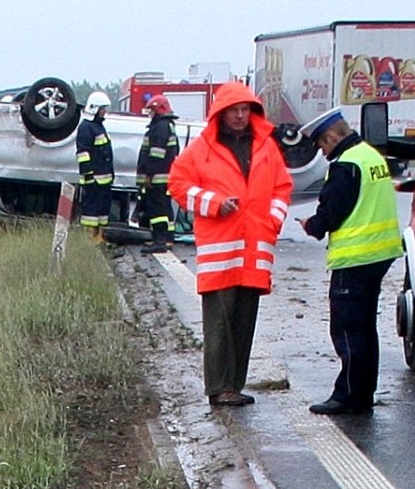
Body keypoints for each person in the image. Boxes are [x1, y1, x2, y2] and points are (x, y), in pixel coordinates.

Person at [167, 81, 293, 406]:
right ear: (221, 114)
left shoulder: (265, 147)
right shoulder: (202, 149)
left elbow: (282, 188)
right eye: (233, 111)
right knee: (219, 324)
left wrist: (273, 222)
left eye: (244, 110)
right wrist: (213, 203)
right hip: (220, 251)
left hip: (254, 251)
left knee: (243, 322)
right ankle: (219, 387)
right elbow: (178, 185)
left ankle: (234, 386)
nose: (239, 116)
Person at [298, 107, 403, 415]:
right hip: (379, 255)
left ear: (332, 137)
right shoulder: (370, 156)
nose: (322, 150)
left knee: (348, 330)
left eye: (321, 144)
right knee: (365, 329)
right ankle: (362, 392)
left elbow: (332, 211)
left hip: (354, 258)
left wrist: (313, 226)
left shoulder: (346, 165)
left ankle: (349, 395)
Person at [136, 94, 179, 254]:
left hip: (157, 178)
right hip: (165, 176)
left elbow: (156, 154)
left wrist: (148, 175)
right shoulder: (167, 125)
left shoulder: (160, 127)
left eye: (151, 110)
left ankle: (159, 241)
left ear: (158, 110)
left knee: (157, 210)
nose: (150, 114)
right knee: (165, 208)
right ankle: (167, 238)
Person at [76, 91, 115, 246]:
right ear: (94, 108)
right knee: (91, 209)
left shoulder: (99, 127)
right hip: (93, 178)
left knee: (103, 208)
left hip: (104, 178)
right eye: (103, 108)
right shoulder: (86, 128)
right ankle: (90, 238)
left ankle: (100, 236)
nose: (105, 111)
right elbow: (83, 153)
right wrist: (88, 175)